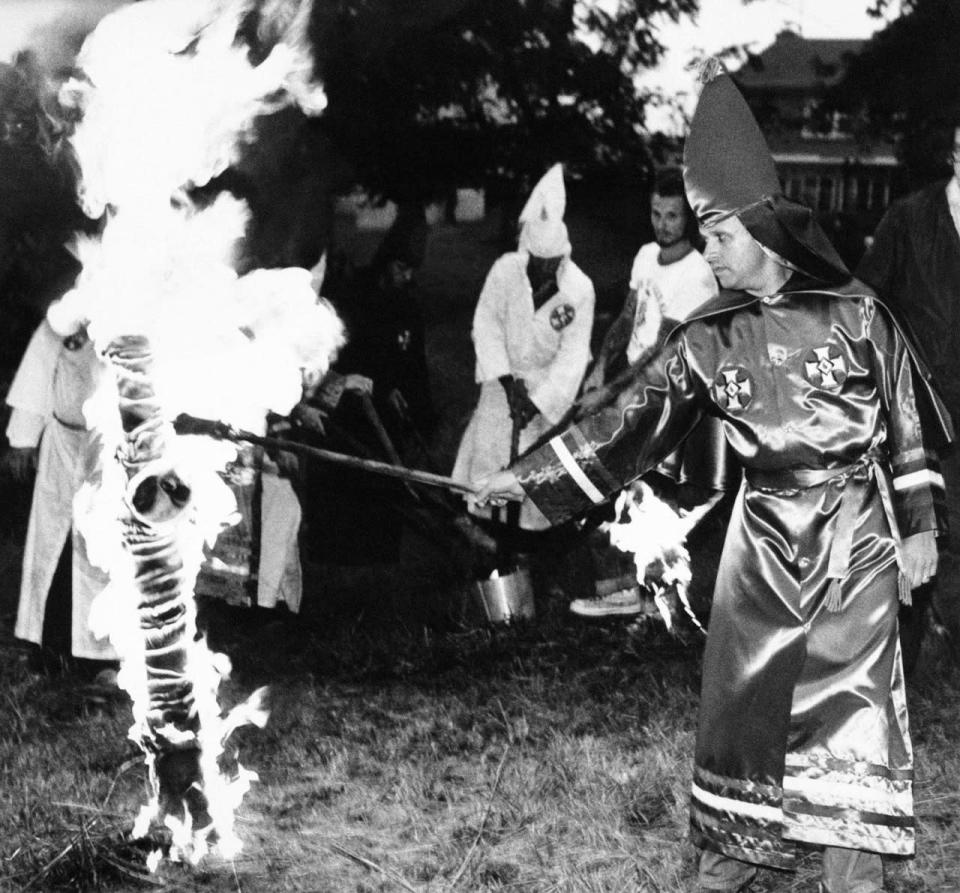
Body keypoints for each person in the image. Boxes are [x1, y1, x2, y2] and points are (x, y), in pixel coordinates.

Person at [470, 64, 952, 893]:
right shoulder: (707, 336)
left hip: (856, 537)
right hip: (760, 542)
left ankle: (854, 873)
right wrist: (529, 477)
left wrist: (919, 527)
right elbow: (627, 418)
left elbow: (908, 418)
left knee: (856, 708)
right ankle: (730, 861)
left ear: (764, 227)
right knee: (743, 710)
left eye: (719, 237)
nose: (707, 253)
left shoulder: (858, 312)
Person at [574, 166, 720, 619]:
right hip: (628, 385)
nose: (662, 224)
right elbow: (628, 318)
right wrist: (599, 369)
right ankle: (622, 587)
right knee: (612, 480)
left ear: (689, 218)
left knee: (651, 488)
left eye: (673, 216)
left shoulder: (697, 274)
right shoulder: (644, 255)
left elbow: (663, 346)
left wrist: (611, 392)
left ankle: (656, 596)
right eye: (656, 213)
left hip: (667, 393)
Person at [452, 163, 595, 603]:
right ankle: (491, 575)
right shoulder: (505, 271)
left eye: (551, 267)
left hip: (544, 405)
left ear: (563, 259)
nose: (541, 275)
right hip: (501, 391)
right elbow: (486, 324)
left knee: (536, 496)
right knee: (487, 485)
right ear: (525, 253)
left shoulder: (579, 290)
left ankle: (537, 579)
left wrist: (540, 402)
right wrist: (507, 380)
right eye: (536, 265)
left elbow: (573, 358)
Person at [857, 124, 960, 671]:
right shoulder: (908, 219)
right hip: (917, 416)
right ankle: (895, 664)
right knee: (915, 537)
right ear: (955, 150)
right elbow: (865, 305)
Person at [5, 303, 118, 681]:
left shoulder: (138, 313)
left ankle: (101, 656)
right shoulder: (67, 314)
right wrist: (23, 438)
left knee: (101, 546)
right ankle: (48, 648)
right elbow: (37, 373)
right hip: (61, 441)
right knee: (52, 542)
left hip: (111, 446)